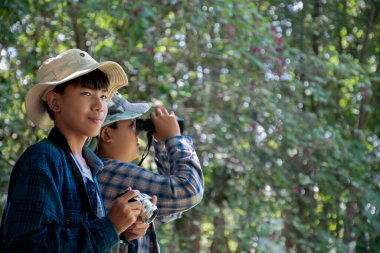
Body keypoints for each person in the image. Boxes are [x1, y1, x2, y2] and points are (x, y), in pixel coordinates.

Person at [0, 49, 146, 252]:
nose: (100, 106)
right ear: (54, 102)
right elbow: (27, 246)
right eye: (86, 93)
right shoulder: (42, 159)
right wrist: (109, 226)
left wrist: (120, 232)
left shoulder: (89, 167)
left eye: (103, 96)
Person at [94, 92, 204, 253]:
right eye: (133, 125)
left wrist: (161, 142)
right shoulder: (110, 171)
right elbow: (189, 191)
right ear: (107, 133)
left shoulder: (110, 174)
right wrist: (174, 138)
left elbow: (171, 211)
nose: (138, 133)